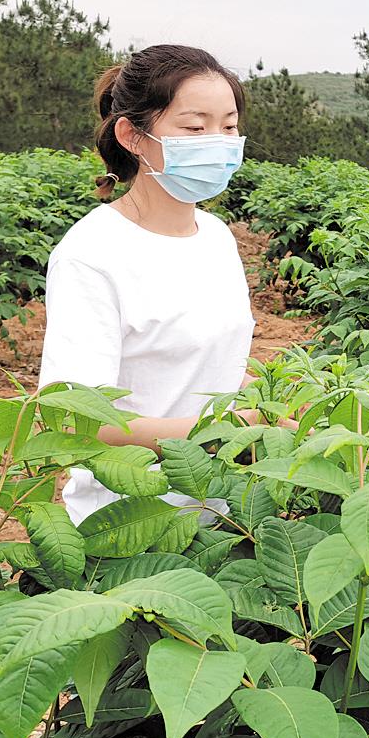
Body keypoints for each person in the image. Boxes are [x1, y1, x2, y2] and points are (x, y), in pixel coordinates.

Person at [38, 44, 256, 526]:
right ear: (132, 136)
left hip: (220, 511)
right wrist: (225, 429)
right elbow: (79, 418)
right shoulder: (92, 254)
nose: (217, 141)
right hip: (129, 524)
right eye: (195, 128)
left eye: (229, 126)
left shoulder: (215, 237)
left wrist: (272, 395)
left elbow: (211, 364)